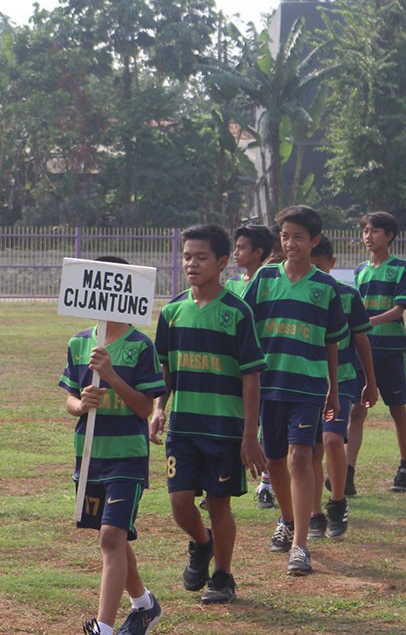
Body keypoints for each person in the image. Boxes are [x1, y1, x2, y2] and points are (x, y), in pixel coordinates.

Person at [150, 224, 267, 604]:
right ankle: (203, 543)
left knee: (219, 503)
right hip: (183, 427)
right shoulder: (172, 312)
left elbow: (251, 375)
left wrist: (250, 435)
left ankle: (223, 576)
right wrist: (159, 408)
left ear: (221, 262)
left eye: (201, 257)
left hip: (224, 428)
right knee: (180, 501)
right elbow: (165, 368)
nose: (192, 264)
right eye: (187, 257)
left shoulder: (237, 312)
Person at [60, 257, 166, 635]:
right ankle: (145, 605)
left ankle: (103, 628)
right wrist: (80, 404)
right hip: (91, 456)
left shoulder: (140, 346)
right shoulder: (79, 343)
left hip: (128, 457)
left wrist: (111, 375)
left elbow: (144, 407)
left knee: (111, 536)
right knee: (113, 536)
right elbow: (69, 399)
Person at [244, 205, 347, 575]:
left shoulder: (326, 287)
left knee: (300, 457)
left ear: (314, 241)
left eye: (298, 237)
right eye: (285, 236)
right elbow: (245, 325)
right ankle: (287, 520)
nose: (290, 243)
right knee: (274, 461)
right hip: (269, 385)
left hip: (307, 387)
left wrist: (334, 389)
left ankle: (300, 546)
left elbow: (333, 341)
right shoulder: (265, 277)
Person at [309, 237, 377, 539]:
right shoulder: (299, 294)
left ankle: (337, 502)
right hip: (308, 379)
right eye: (310, 266)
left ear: (332, 264)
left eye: (319, 265)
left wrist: (371, 382)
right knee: (311, 449)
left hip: (344, 378)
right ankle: (314, 514)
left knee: (332, 439)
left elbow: (362, 340)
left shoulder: (348, 296)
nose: (315, 271)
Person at [350, 211, 406, 493]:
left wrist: (371, 321)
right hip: (364, 350)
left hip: (392, 349)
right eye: (366, 230)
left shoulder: (401, 267)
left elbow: (400, 308)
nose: (368, 236)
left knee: (397, 409)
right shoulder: (359, 271)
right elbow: (354, 308)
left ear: (389, 236)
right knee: (357, 410)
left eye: (374, 231)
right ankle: (348, 472)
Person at [222, 223, 278, 510]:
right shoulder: (231, 284)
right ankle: (220, 482)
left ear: (259, 252)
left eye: (242, 248)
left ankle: (266, 484)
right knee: (236, 421)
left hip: (262, 364)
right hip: (233, 365)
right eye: (235, 247)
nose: (236, 253)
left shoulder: (273, 283)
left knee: (264, 423)